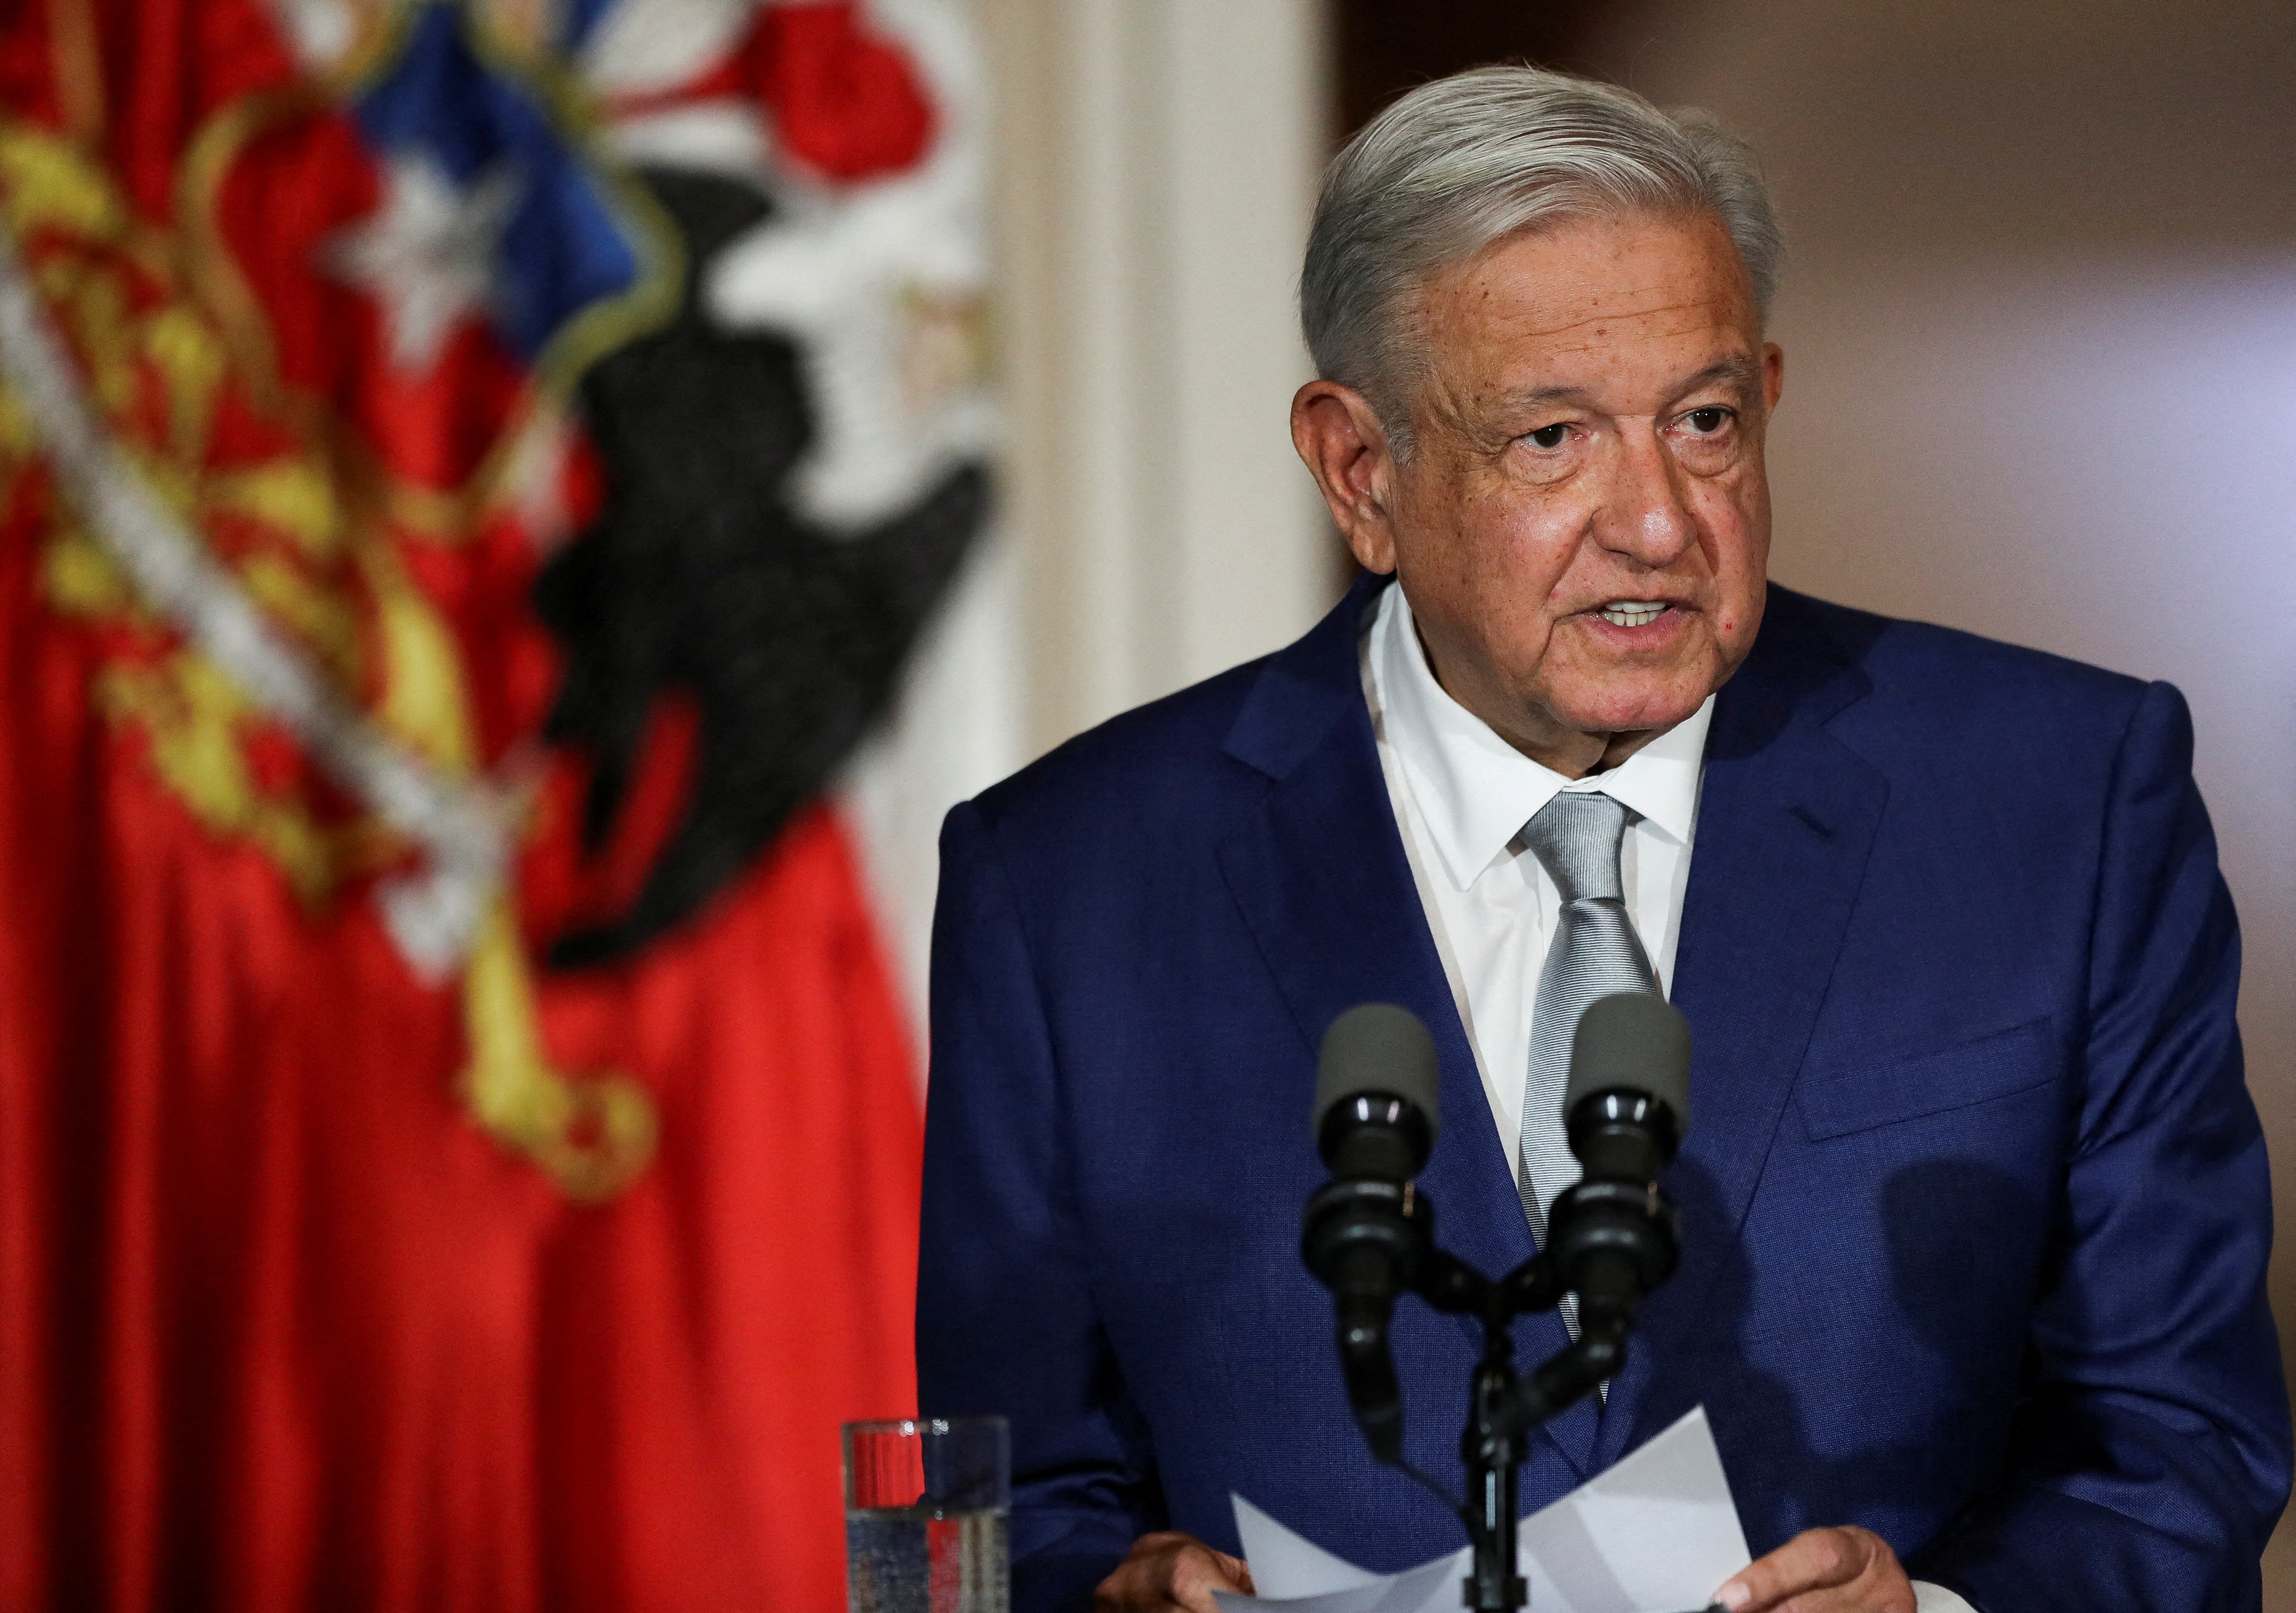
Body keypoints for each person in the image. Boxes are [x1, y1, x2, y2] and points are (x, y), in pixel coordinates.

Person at [917, 66, 2290, 1613]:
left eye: (1702, 422)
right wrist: (1112, 1592)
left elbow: (2181, 1438)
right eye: (1552, 438)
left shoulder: (2060, 800)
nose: (1655, 521)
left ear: (1766, 397)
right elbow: (1008, 1500)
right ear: (1361, 472)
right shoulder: (1069, 884)